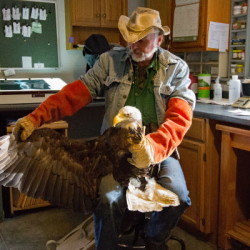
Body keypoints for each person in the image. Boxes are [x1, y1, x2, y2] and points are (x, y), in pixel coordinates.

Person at [13, 7, 196, 250]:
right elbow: (75, 94)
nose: (134, 46)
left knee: (178, 197)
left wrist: (153, 148)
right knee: (108, 200)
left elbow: (180, 116)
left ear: (159, 39)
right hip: (114, 151)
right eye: (130, 40)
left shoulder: (177, 68)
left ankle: (154, 239)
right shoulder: (109, 62)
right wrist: (36, 118)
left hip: (157, 149)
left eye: (142, 40)